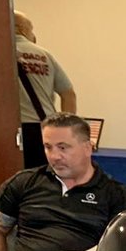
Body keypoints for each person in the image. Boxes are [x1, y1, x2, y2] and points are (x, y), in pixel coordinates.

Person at [0, 112, 126, 251]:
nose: (54, 156)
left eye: (63, 147)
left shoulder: (115, 194)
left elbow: (121, 247)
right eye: (48, 147)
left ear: (87, 148)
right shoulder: (24, 182)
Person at [12, 12, 77, 168]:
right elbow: (68, 94)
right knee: (43, 180)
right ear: (22, 29)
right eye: (31, 29)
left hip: (5, 130)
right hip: (42, 128)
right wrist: (66, 128)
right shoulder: (44, 55)